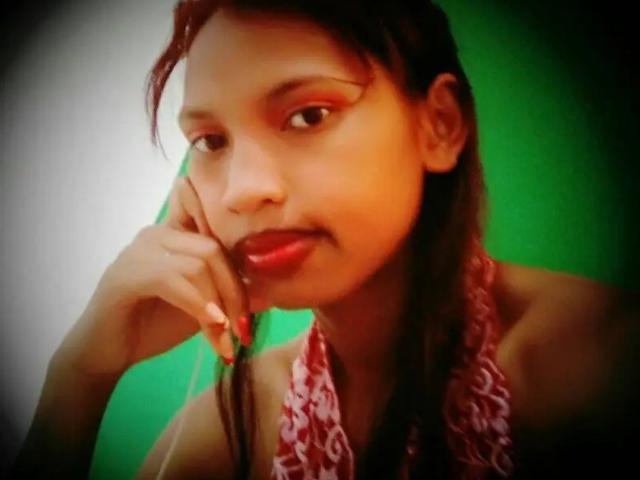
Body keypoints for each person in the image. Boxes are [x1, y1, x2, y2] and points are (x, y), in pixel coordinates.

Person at [11, 0, 638, 478]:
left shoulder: (593, 364)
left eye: (308, 115)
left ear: (440, 126)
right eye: (211, 141)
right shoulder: (242, 423)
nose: (242, 191)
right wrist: (81, 374)